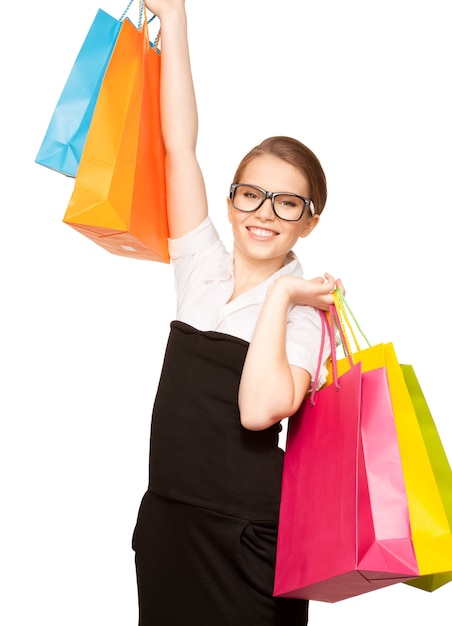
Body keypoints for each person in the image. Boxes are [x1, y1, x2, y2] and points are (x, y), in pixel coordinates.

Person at [132, 1, 343, 624]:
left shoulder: (306, 314)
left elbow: (258, 412)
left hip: (247, 542)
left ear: (309, 223)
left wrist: (280, 296)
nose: (264, 212)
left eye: (286, 203)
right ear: (229, 201)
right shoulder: (200, 265)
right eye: (252, 194)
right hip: (170, 523)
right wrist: (174, 21)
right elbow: (179, 148)